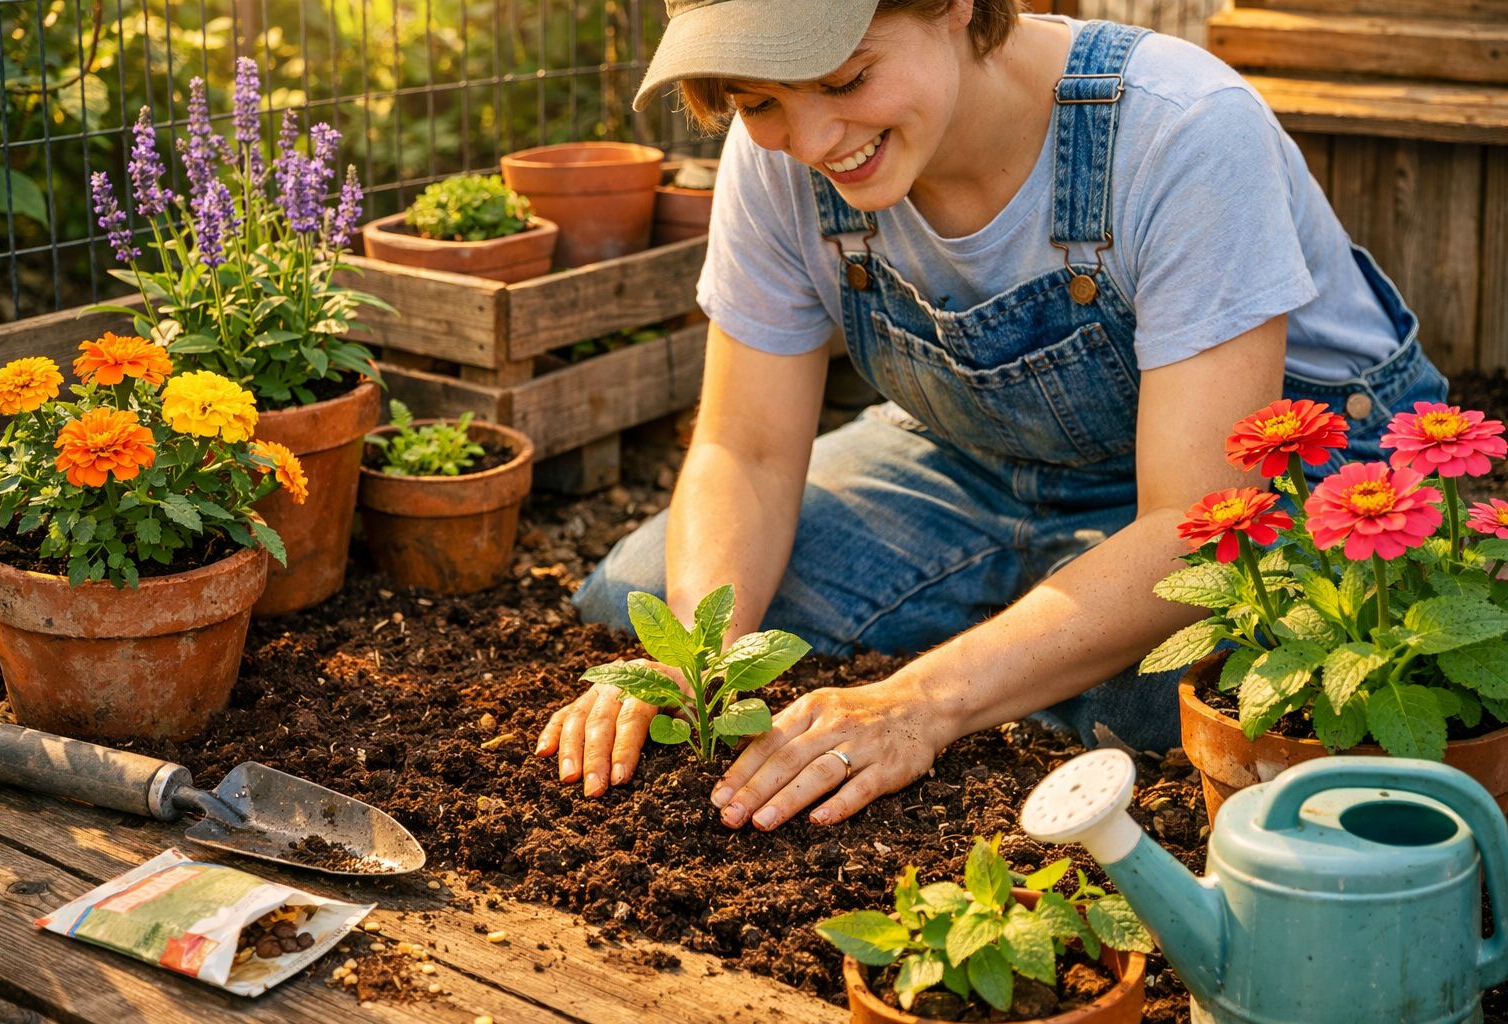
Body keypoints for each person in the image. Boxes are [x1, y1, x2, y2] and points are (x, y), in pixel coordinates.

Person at [535, 0, 1448, 832]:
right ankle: (1034, 647)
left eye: (846, 79)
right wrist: (699, 660)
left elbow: (1194, 524)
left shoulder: (1180, 130)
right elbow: (746, 447)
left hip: (1272, 487)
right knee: (645, 595)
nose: (811, 138)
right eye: (757, 100)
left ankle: (1000, 654)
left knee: (1182, 705)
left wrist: (920, 702)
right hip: (977, 454)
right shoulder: (777, 160)